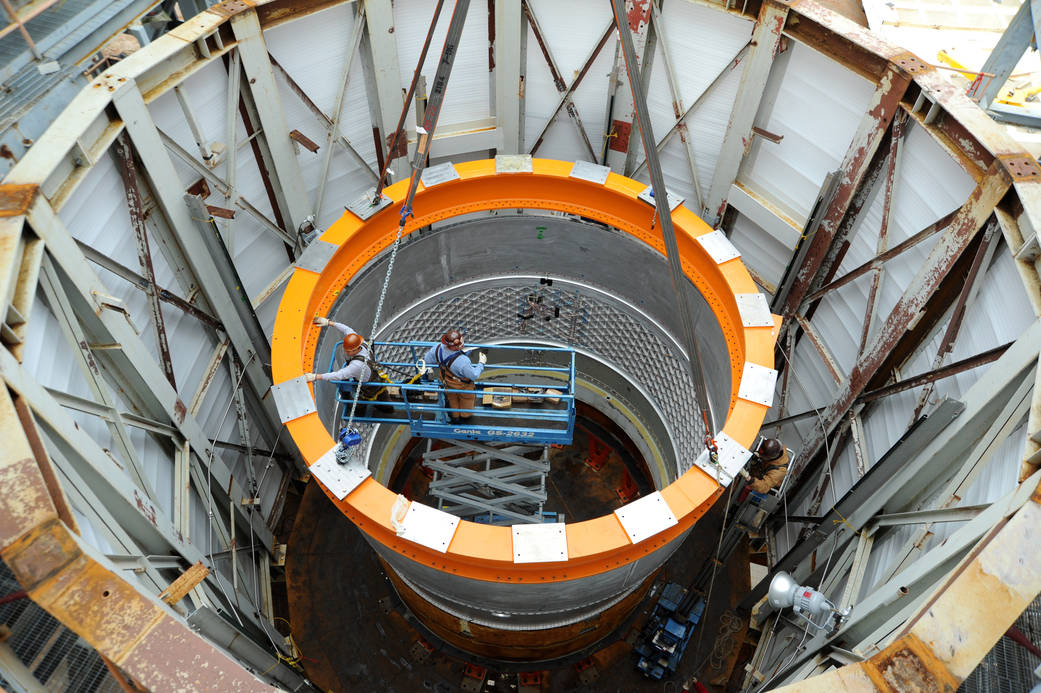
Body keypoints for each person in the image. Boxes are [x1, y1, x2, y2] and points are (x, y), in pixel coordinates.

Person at [307, 317, 383, 404]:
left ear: (355, 350)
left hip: (369, 387)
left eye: (348, 351)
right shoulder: (361, 342)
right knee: (383, 395)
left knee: (366, 403)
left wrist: (316, 377)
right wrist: (329, 323)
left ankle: (377, 408)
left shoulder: (356, 365)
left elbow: (339, 375)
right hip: (375, 376)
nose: (345, 352)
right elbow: (347, 329)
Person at [423, 329, 486, 423]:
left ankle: (455, 417)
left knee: (451, 398)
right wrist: (481, 363)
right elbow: (474, 375)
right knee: (467, 399)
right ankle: (465, 417)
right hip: (463, 385)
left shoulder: (437, 348)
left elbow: (427, 360)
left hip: (447, 382)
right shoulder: (463, 361)